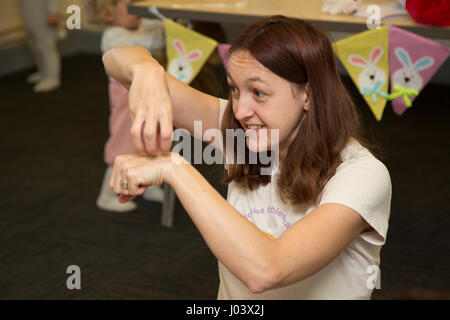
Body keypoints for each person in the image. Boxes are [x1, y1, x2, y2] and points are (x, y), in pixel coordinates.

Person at [102, 15, 392, 299]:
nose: (240, 111)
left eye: (258, 92)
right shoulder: (243, 133)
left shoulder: (362, 176)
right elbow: (114, 59)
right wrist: (148, 71)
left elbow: (267, 270)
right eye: (234, 89)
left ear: (308, 94)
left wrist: (174, 166)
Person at [86, 0, 166, 212]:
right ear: (109, 14)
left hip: (149, 94)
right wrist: (162, 26)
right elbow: (145, 43)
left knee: (152, 139)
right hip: (126, 98)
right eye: (131, 7)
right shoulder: (113, 36)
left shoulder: (140, 28)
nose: (138, 11)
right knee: (124, 144)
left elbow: (158, 32)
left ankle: (148, 184)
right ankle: (108, 194)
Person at [18, 0, 61, 93]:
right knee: (34, 45)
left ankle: (52, 77)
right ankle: (43, 72)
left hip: (44, 16)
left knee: (46, 47)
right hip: (30, 15)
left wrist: (53, 12)